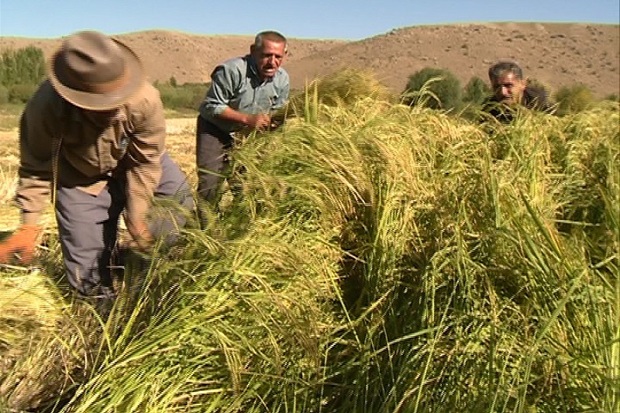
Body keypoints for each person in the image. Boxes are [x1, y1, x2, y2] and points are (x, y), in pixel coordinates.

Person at [0, 30, 194, 302]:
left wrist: (137, 220)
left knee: (179, 203)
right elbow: (36, 166)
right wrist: (28, 226)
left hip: (137, 162)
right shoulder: (46, 107)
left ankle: (134, 262)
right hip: (81, 175)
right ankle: (102, 312)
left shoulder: (146, 99)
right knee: (85, 273)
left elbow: (145, 162)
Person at [195, 30, 289, 217]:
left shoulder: (282, 79)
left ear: (284, 56)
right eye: (266, 55)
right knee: (210, 184)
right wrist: (247, 119)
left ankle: (238, 227)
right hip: (216, 129)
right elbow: (211, 105)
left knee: (247, 186)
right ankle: (205, 232)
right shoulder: (232, 71)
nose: (272, 62)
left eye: (277, 56)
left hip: (248, 136)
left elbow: (278, 111)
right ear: (253, 51)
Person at [481, 60, 552, 123]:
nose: (502, 92)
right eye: (496, 87)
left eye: (508, 85)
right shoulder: (488, 110)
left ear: (523, 84)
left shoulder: (543, 106)